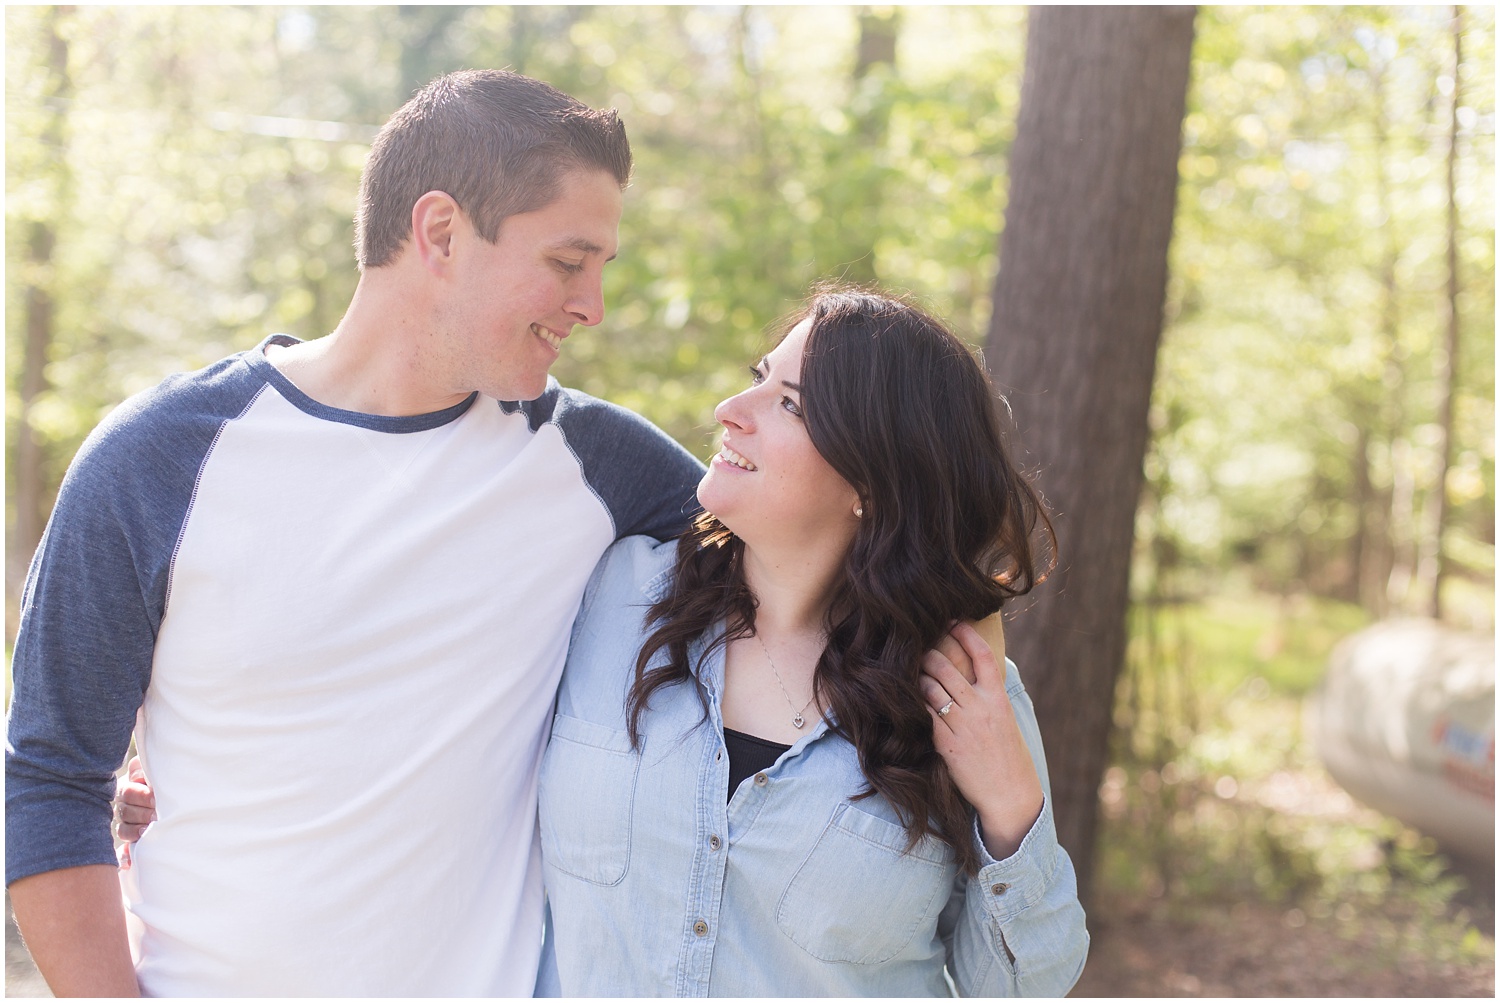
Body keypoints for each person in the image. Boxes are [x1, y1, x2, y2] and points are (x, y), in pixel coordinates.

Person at [5, 70, 706, 997]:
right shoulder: (157, 462)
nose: (592, 306)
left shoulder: (603, 468)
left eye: (601, 271)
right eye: (569, 263)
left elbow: (820, 566)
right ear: (442, 234)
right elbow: (52, 779)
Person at [532, 288, 1088, 995]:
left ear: (875, 477)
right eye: (759, 375)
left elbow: (1024, 987)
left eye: (789, 404)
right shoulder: (611, 594)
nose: (731, 409)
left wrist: (1012, 809)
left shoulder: (964, 693)